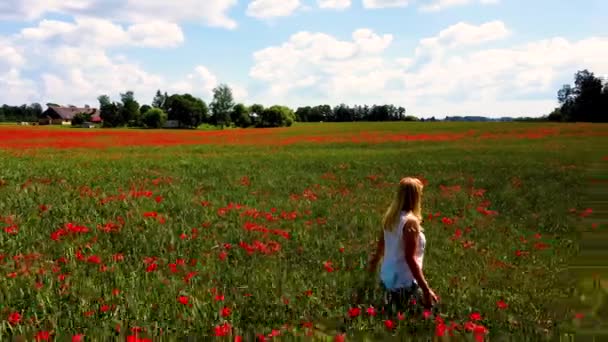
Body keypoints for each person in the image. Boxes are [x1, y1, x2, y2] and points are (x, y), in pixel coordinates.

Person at [367, 177, 438, 315]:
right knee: (433, 309)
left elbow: (380, 249)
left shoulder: (390, 217)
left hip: (387, 279)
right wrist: (425, 289)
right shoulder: (410, 222)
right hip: (403, 282)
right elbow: (410, 258)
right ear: (415, 197)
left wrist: (371, 273)